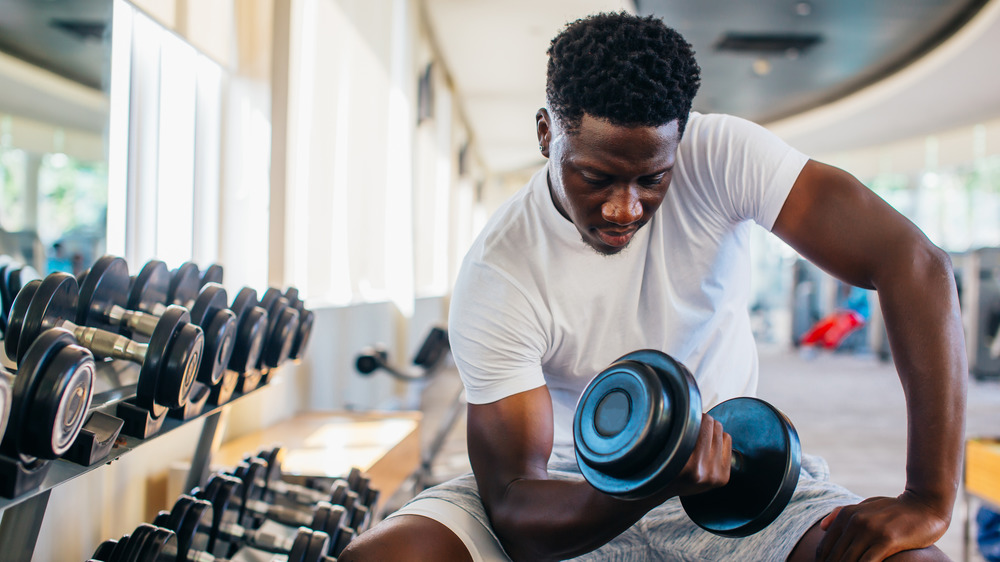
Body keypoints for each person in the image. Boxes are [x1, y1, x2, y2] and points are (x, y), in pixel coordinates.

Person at [341, 12, 966, 562]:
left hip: (730, 470)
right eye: (596, 177)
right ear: (545, 134)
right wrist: (656, 477)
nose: (625, 208)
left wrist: (928, 496)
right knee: (391, 555)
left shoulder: (723, 154)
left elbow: (914, 264)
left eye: (651, 179)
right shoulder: (500, 270)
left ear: (680, 141)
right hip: (567, 486)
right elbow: (514, 509)